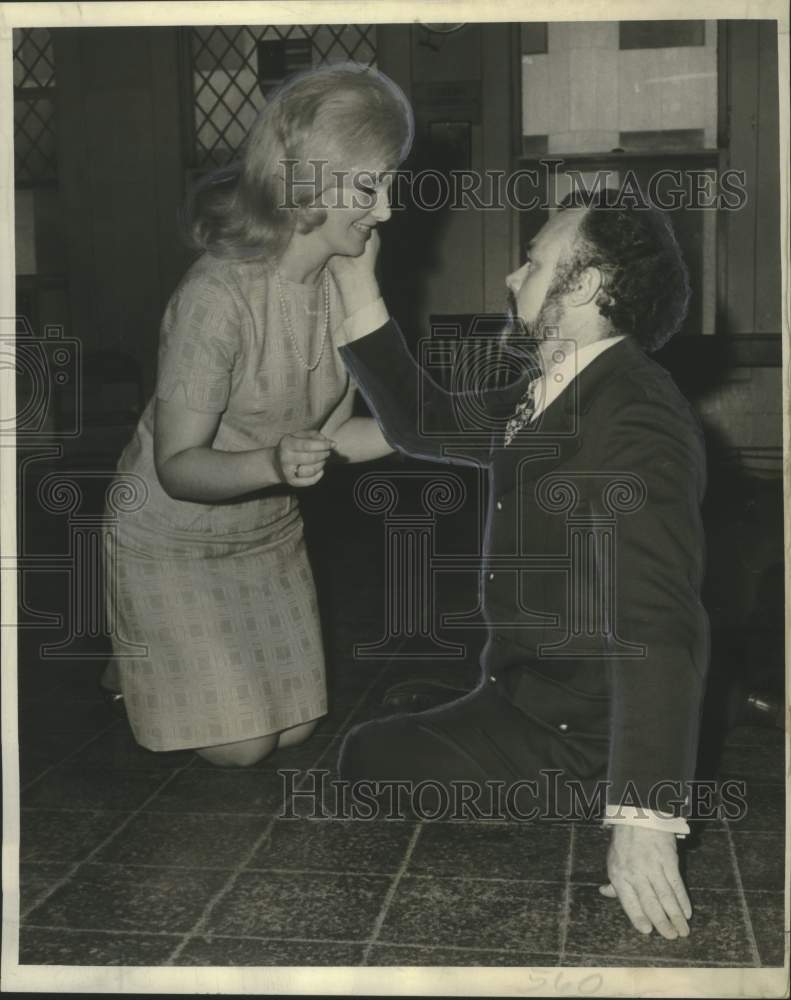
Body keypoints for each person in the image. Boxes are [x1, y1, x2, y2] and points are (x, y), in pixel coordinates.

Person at [330, 190, 709, 941]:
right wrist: (353, 280)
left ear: (587, 283)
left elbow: (659, 618)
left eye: (532, 261)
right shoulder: (562, 387)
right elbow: (425, 420)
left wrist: (645, 816)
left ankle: (580, 795)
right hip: (530, 697)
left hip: (579, 736)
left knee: (367, 755)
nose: (511, 277)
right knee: (393, 728)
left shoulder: (634, 417)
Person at [103, 63, 414, 767]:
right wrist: (273, 462)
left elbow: (340, 437)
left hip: (266, 535)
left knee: (295, 731)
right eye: (370, 186)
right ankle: (132, 657)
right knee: (244, 749)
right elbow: (178, 467)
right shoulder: (216, 296)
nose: (387, 210)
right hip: (170, 535)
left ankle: (152, 660)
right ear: (308, 181)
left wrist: (443, 428)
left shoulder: (346, 276)